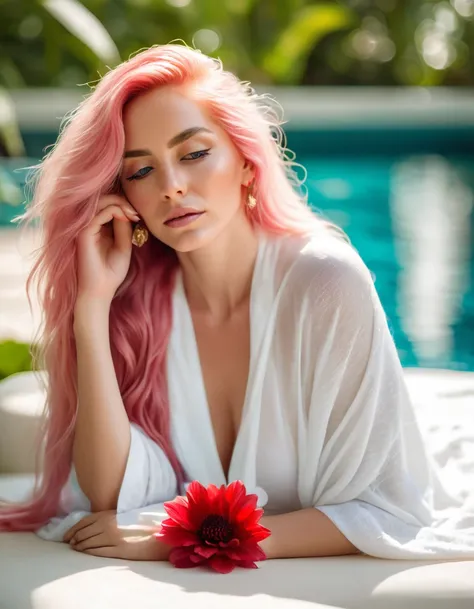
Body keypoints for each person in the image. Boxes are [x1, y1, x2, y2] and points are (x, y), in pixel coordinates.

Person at [1, 44, 474, 563]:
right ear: (123, 197)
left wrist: (182, 538)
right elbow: (110, 496)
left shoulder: (326, 282)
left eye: (194, 153)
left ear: (247, 162)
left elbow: (386, 509)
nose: (172, 187)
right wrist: (90, 311)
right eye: (140, 172)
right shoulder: (136, 302)